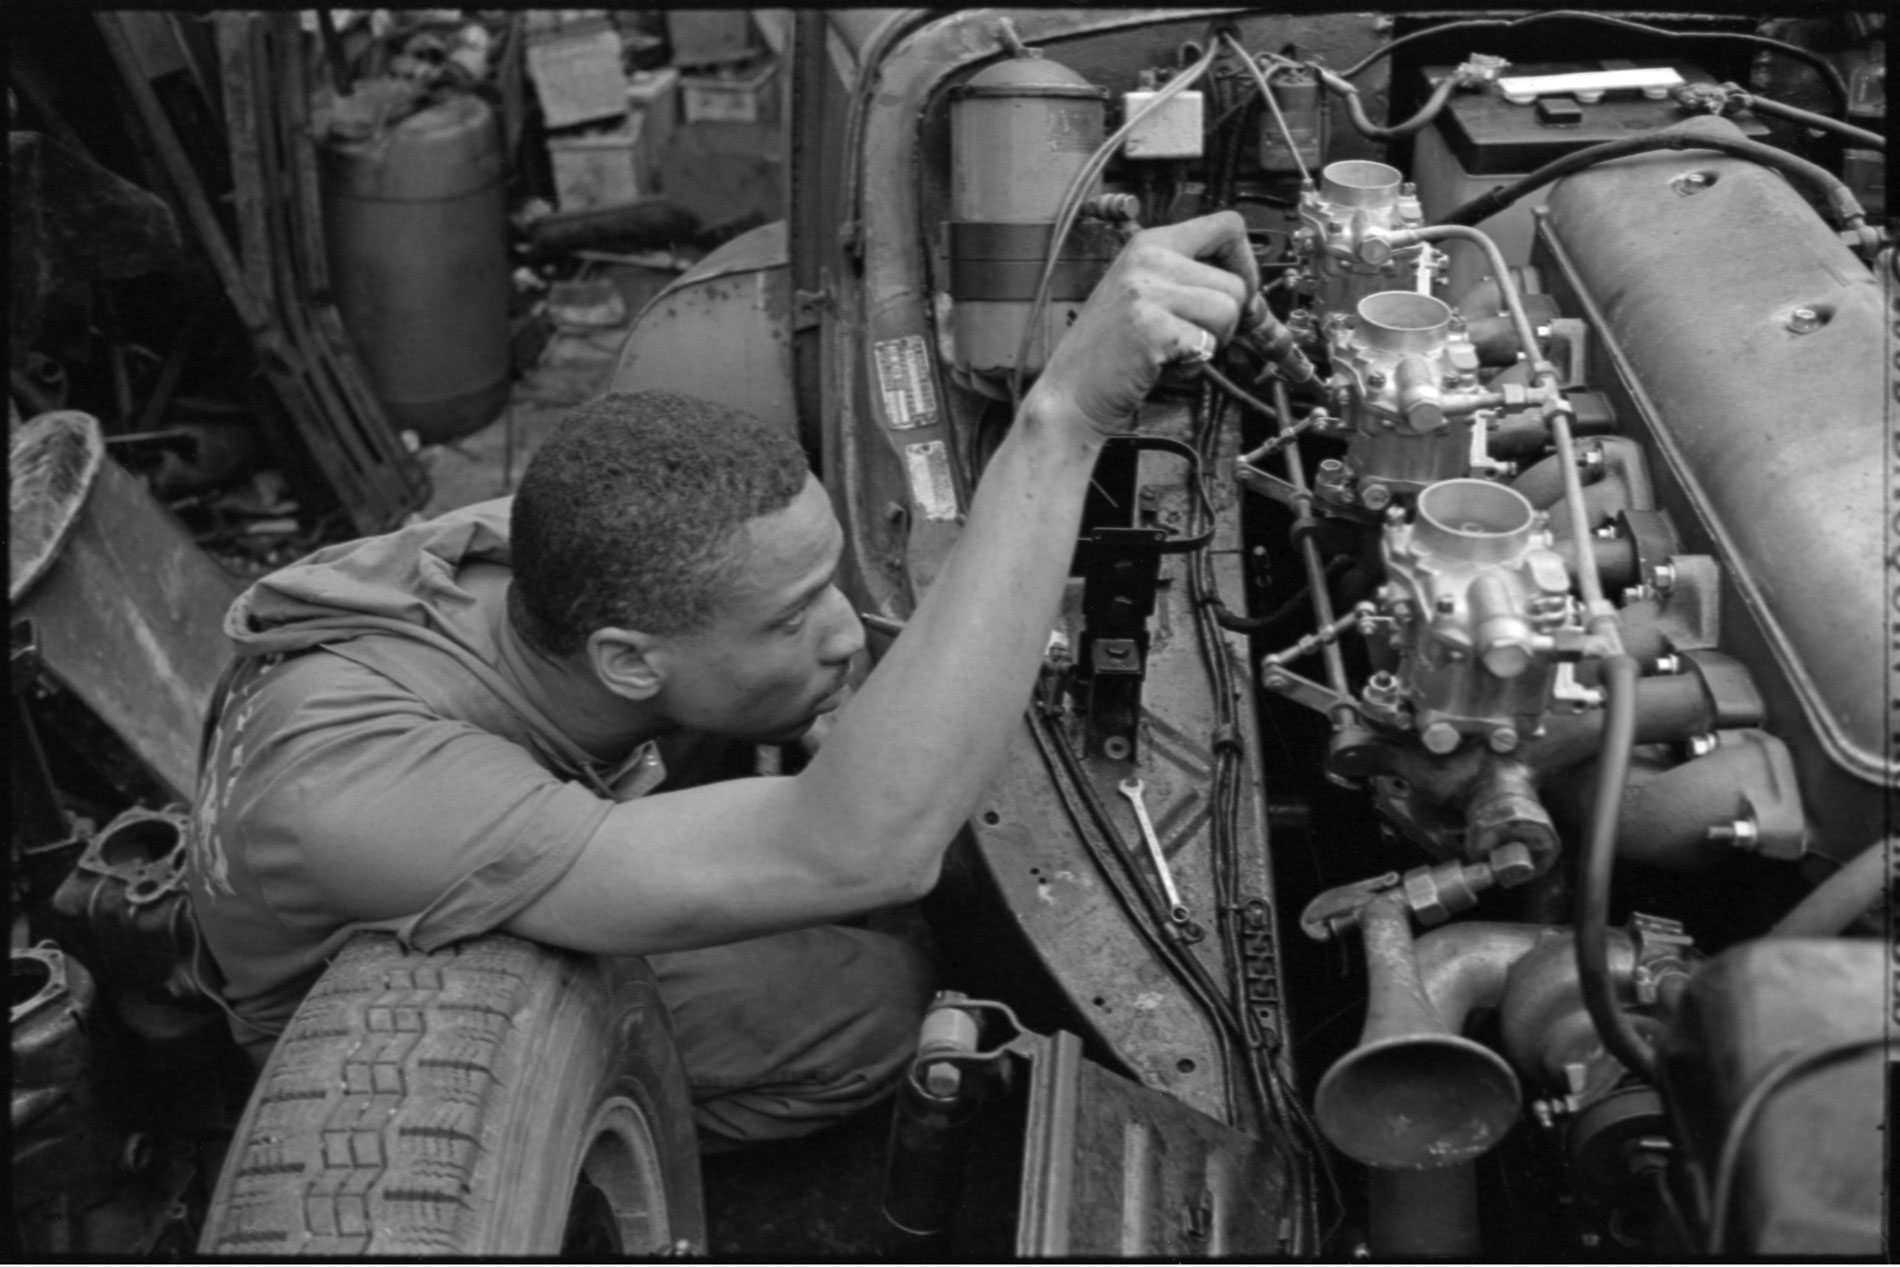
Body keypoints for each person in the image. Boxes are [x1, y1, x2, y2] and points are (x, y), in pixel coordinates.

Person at [186, 212, 1256, 1149]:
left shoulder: (529, 552)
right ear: (626, 661)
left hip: (488, 788)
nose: (846, 634)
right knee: (880, 998)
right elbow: (866, 852)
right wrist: (1060, 422)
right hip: (382, 1019)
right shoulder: (373, 792)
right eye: (793, 618)